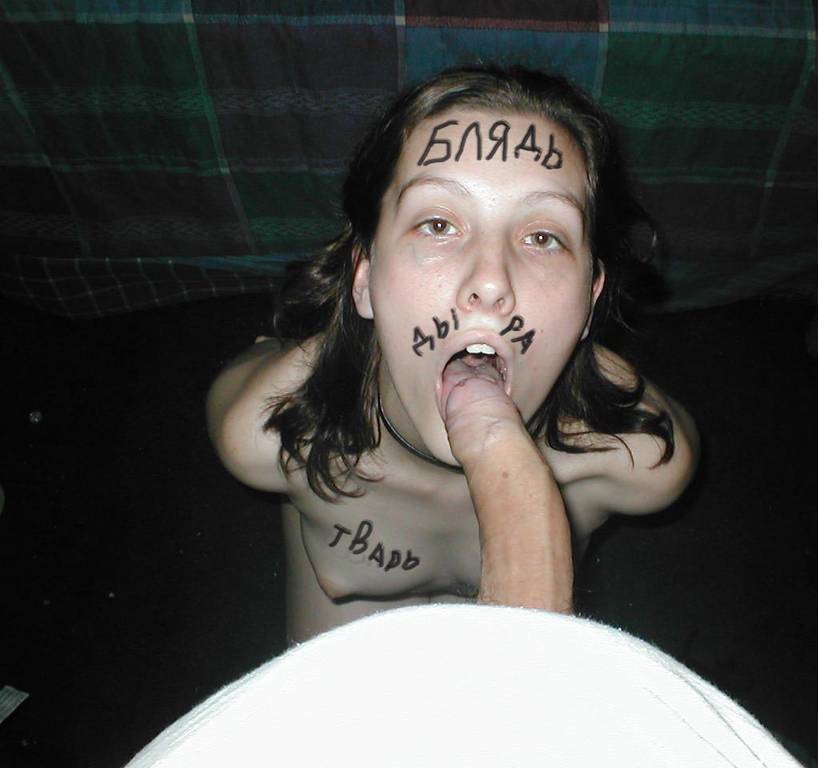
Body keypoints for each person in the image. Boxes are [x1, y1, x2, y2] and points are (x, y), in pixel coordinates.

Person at [206, 65, 699, 644]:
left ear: (588, 302)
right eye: (438, 224)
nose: (490, 281)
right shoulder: (269, 435)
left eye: (542, 237)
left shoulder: (637, 462)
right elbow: (244, 377)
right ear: (364, 279)